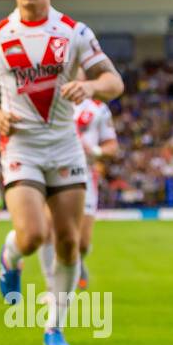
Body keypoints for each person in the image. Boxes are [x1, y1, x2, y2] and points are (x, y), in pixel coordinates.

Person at [0, 0, 123, 345]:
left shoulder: (75, 32)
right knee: (34, 235)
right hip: (21, 146)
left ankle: (54, 325)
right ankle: (10, 256)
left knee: (70, 242)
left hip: (66, 147)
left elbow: (113, 82)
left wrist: (89, 87)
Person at [37, 81, 119, 291]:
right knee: (48, 229)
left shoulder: (98, 108)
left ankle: (76, 262)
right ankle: (52, 287)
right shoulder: (47, 102)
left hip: (84, 174)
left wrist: (95, 151)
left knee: (80, 243)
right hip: (53, 171)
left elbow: (112, 147)